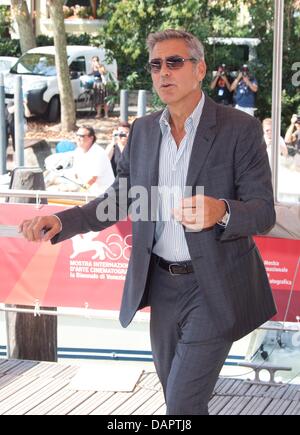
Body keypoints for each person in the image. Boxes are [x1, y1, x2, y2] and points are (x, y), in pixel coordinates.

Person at [20, 29, 276, 415]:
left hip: (215, 287)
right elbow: (119, 199)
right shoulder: (141, 131)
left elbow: (263, 211)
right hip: (160, 285)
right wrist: (62, 220)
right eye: (156, 65)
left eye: (175, 62)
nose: (164, 72)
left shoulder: (239, 129)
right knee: (176, 397)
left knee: (182, 404)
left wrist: (222, 211)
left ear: (200, 68)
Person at [46, 126, 114, 195]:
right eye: (77, 135)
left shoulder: (98, 153)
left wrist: (80, 193)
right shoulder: (78, 151)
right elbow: (74, 172)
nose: (78, 138)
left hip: (102, 195)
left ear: (91, 138)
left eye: (81, 136)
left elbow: (92, 179)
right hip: (88, 191)